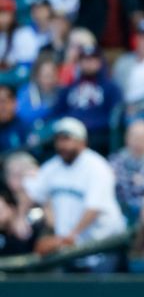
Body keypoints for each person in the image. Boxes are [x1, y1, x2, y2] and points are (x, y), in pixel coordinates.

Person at [23, 117, 126, 272]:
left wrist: (71, 235)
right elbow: (33, 192)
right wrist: (22, 217)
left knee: (99, 295)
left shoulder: (97, 167)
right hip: (70, 248)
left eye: (67, 139)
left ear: (82, 142)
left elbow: (94, 208)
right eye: (59, 140)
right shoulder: (52, 167)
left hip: (103, 245)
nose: (62, 145)